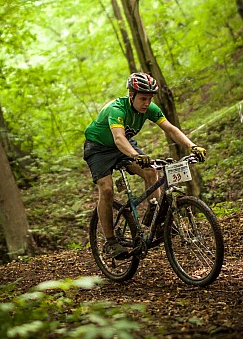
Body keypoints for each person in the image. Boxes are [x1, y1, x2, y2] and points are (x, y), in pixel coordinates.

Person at [83, 72, 207, 259]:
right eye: (142, 98)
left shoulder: (149, 108)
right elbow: (118, 138)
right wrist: (135, 155)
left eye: (150, 99)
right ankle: (110, 241)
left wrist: (192, 146)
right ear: (131, 95)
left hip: (124, 144)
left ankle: (156, 217)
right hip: (98, 148)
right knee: (107, 189)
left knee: (151, 171)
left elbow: (170, 129)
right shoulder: (117, 110)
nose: (147, 103)